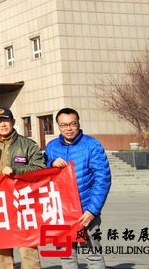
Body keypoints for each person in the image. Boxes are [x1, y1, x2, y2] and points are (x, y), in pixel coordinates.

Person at [45, 108, 111, 269]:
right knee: (66, 256)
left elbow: (102, 179)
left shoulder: (92, 145)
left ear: (78, 123)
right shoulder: (51, 147)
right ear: (58, 127)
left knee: (93, 255)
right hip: (61, 212)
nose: (68, 128)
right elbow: (43, 173)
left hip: (85, 211)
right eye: (64, 125)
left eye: (72, 124)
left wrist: (92, 211)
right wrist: (51, 163)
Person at [0, 107, 46, 269]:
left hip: (23, 203)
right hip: (0, 204)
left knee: (28, 247)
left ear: (13, 122)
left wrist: (16, 170)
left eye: (6, 120)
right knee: (3, 249)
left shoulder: (28, 145)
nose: (3, 124)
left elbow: (40, 169)